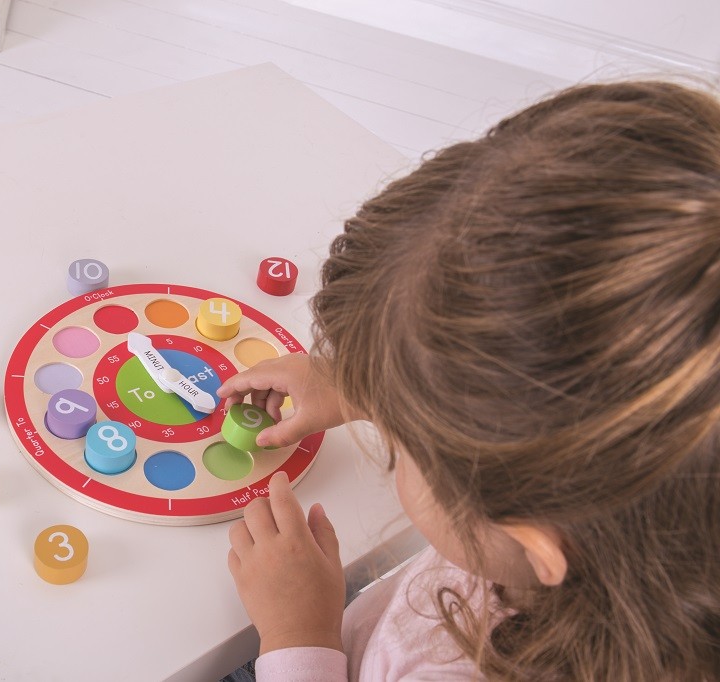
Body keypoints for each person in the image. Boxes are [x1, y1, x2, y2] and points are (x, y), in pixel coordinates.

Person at [218, 80, 720, 681]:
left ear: (532, 540)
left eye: (402, 446)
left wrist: (298, 636)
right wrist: (371, 382)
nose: (392, 442)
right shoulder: (596, 519)